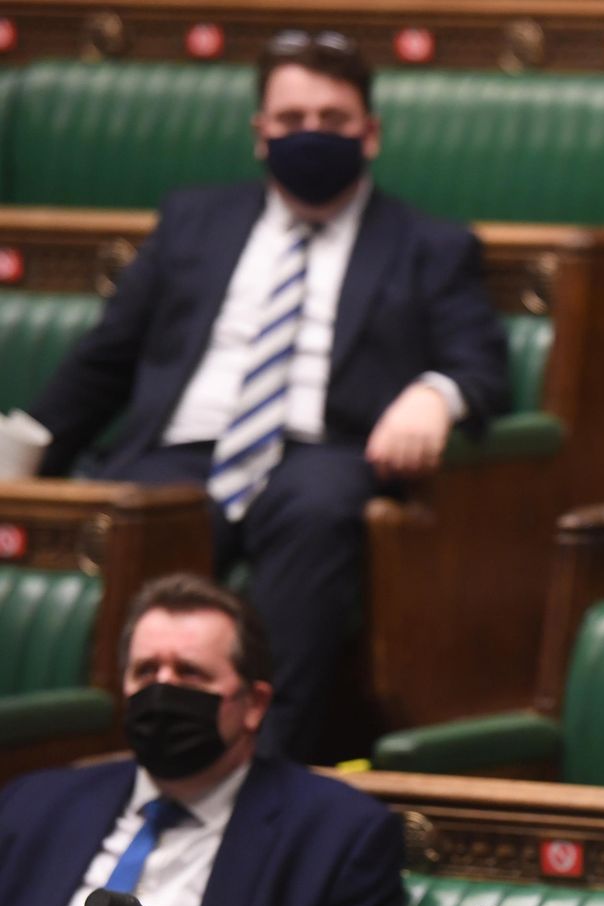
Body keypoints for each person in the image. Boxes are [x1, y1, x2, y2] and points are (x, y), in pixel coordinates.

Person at [27, 31, 509, 763]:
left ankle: (266, 765)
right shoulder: (195, 222)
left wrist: (435, 395)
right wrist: (20, 451)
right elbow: (105, 359)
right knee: (138, 510)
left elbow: (480, 364)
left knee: (317, 509)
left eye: (333, 120)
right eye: (290, 121)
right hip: (179, 452)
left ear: (369, 133)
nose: (310, 135)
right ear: (260, 135)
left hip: (326, 453)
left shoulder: (427, 244)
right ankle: (114, 762)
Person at [0, 574, 406, 906]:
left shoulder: (338, 838)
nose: (163, 689)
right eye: (146, 672)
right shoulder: (33, 805)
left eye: (190, 674)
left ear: (253, 704)